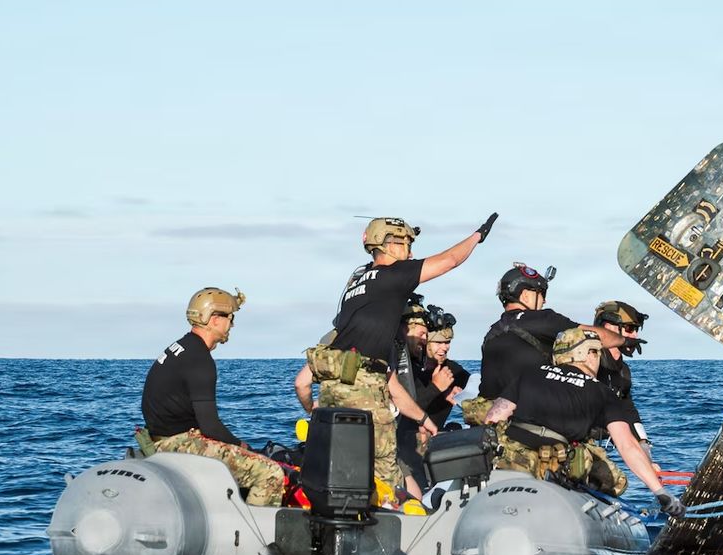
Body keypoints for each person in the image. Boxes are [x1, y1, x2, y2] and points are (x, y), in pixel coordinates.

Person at [305, 213, 497, 492]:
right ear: (387, 244)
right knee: (390, 476)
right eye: (406, 244)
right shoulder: (393, 275)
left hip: (334, 394)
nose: (410, 252)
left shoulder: (355, 284)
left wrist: (425, 420)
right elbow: (450, 260)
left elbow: (303, 382)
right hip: (368, 395)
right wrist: (477, 236)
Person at [483, 328, 685, 517]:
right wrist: (661, 493)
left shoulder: (529, 374)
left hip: (510, 457)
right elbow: (627, 446)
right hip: (555, 464)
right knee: (618, 482)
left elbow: (493, 418)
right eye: (597, 353)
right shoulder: (603, 392)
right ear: (587, 354)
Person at [139, 287, 286, 507]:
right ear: (214, 319)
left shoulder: (180, 348)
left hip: (160, 440)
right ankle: (254, 540)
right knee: (270, 472)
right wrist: (241, 445)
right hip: (178, 445)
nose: (232, 324)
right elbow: (210, 426)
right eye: (230, 317)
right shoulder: (200, 359)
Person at [460, 263, 642, 425]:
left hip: (490, 422)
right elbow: (591, 335)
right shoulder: (544, 319)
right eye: (541, 293)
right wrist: (626, 340)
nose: (545, 300)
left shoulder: (492, 333)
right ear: (524, 295)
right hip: (527, 420)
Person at [592, 300, 657, 469]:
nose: (634, 336)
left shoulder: (623, 372)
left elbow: (628, 410)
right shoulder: (588, 361)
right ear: (608, 327)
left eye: (636, 330)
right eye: (629, 329)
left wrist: (644, 449)